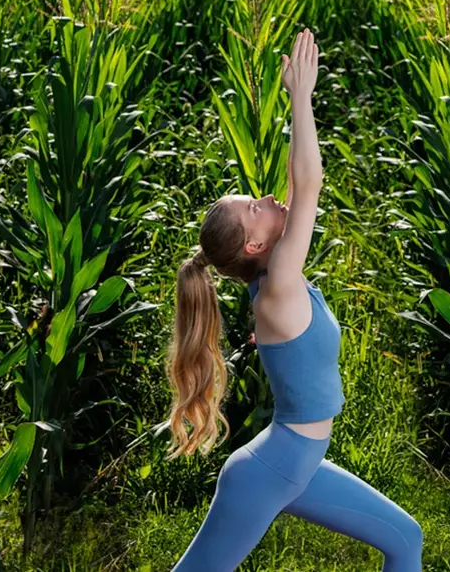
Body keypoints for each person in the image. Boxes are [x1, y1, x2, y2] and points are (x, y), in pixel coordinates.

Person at [163, 29, 424, 572]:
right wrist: (299, 98)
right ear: (255, 245)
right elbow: (307, 185)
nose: (264, 197)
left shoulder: (275, 275)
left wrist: (296, 105)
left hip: (296, 466)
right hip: (273, 471)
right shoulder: (280, 283)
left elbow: (292, 179)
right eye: (252, 207)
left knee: (405, 540)